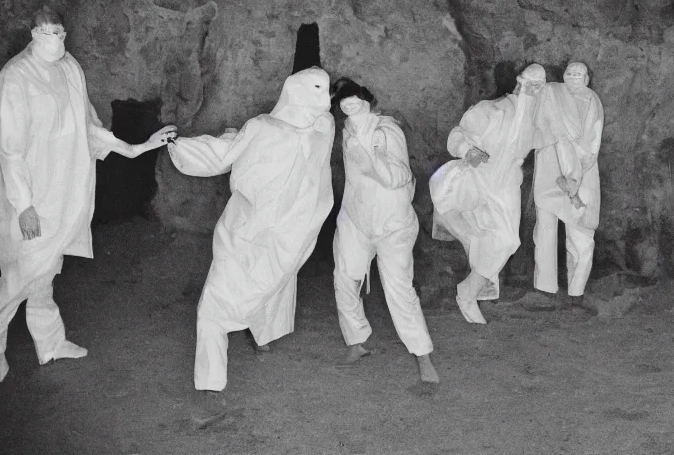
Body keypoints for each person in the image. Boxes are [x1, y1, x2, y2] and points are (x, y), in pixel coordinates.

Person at [0, 7, 176, 383]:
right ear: (32, 31)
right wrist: (23, 205)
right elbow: (8, 148)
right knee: (22, 272)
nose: (51, 37)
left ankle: (50, 342)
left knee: (48, 267)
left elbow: (88, 125)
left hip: (63, 184)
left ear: (64, 32)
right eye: (44, 30)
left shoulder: (71, 68)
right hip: (26, 189)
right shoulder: (15, 76)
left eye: (57, 30)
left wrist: (136, 147)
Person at [166, 68, 335, 416]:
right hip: (292, 231)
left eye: (325, 89)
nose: (323, 96)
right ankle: (264, 337)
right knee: (273, 281)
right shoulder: (324, 126)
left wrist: (177, 144)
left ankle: (211, 388)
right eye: (317, 88)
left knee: (215, 306)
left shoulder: (262, 127)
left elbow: (220, 156)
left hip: (250, 229)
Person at [329, 77, 439, 393]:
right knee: (344, 278)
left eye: (353, 98)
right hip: (356, 220)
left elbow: (401, 176)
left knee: (400, 289)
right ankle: (356, 341)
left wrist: (377, 160)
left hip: (393, 224)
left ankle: (423, 356)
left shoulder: (387, 130)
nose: (348, 103)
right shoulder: (346, 131)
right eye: (342, 100)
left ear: (366, 99)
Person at [429, 63, 546, 324]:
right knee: (472, 228)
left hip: (506, 182)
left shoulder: (535, 118)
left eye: (540, 84)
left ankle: (468, 290)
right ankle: (448, 223)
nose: (533, 88)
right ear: (519, 80)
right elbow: (457, 135)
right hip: (480, 174)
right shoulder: (489, 109)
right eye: (530, 82)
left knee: (507, 240)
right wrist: (467, 150)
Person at [524, 62, 603, 309]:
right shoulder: (551, 92)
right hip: (549, 164)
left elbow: (593, 141)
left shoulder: (593, 101)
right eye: (569, 72)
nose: (572, 76)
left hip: (582, 166)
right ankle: (544, 288)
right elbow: (531, 116)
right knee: (545, 227)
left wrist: (576, 172)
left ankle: (577, 290)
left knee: (580, 226)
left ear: (588, 78)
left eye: (579, 73)